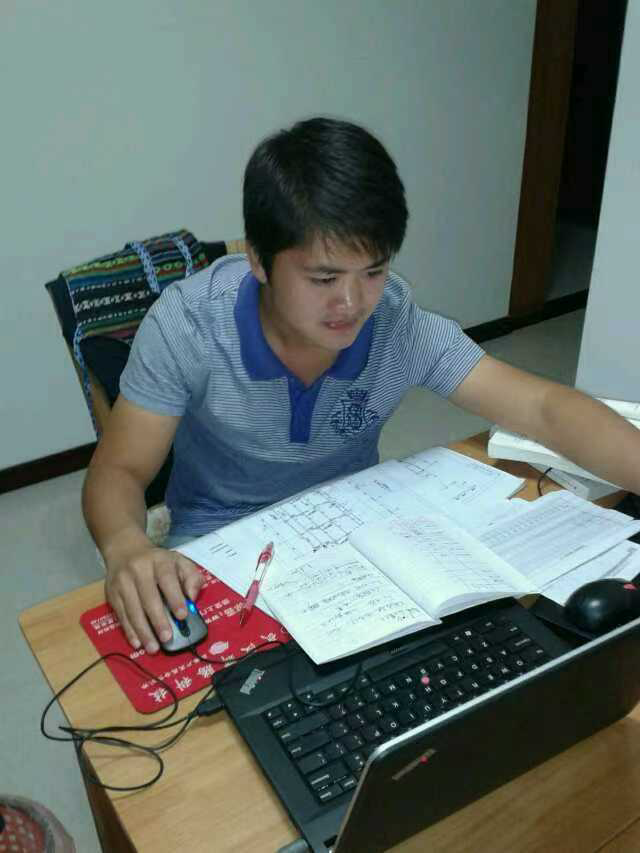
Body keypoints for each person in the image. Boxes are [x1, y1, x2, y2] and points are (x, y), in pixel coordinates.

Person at [82, 116, 640, 656]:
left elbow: (542, 408)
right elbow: (119, 470)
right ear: (259, 261)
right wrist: (126, 545)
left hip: (359, 537)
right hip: (222, 543)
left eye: (373, 271)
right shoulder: (189, 324)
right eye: (324, 278)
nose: (351, 304)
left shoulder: (394, 320)